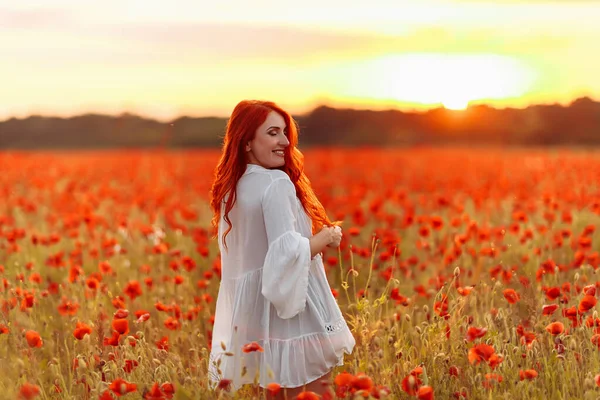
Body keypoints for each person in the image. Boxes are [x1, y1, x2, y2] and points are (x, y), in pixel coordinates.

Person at [208, 100, 355, 398]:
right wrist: (325, 238)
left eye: (285, 133)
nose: (285, 142)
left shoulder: (231, 188)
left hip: (254, 314)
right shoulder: (276, 182)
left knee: (273, 392)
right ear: (247, 141)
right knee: (316, 393)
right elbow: (285, 254)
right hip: (292, 308)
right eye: (273, 133)